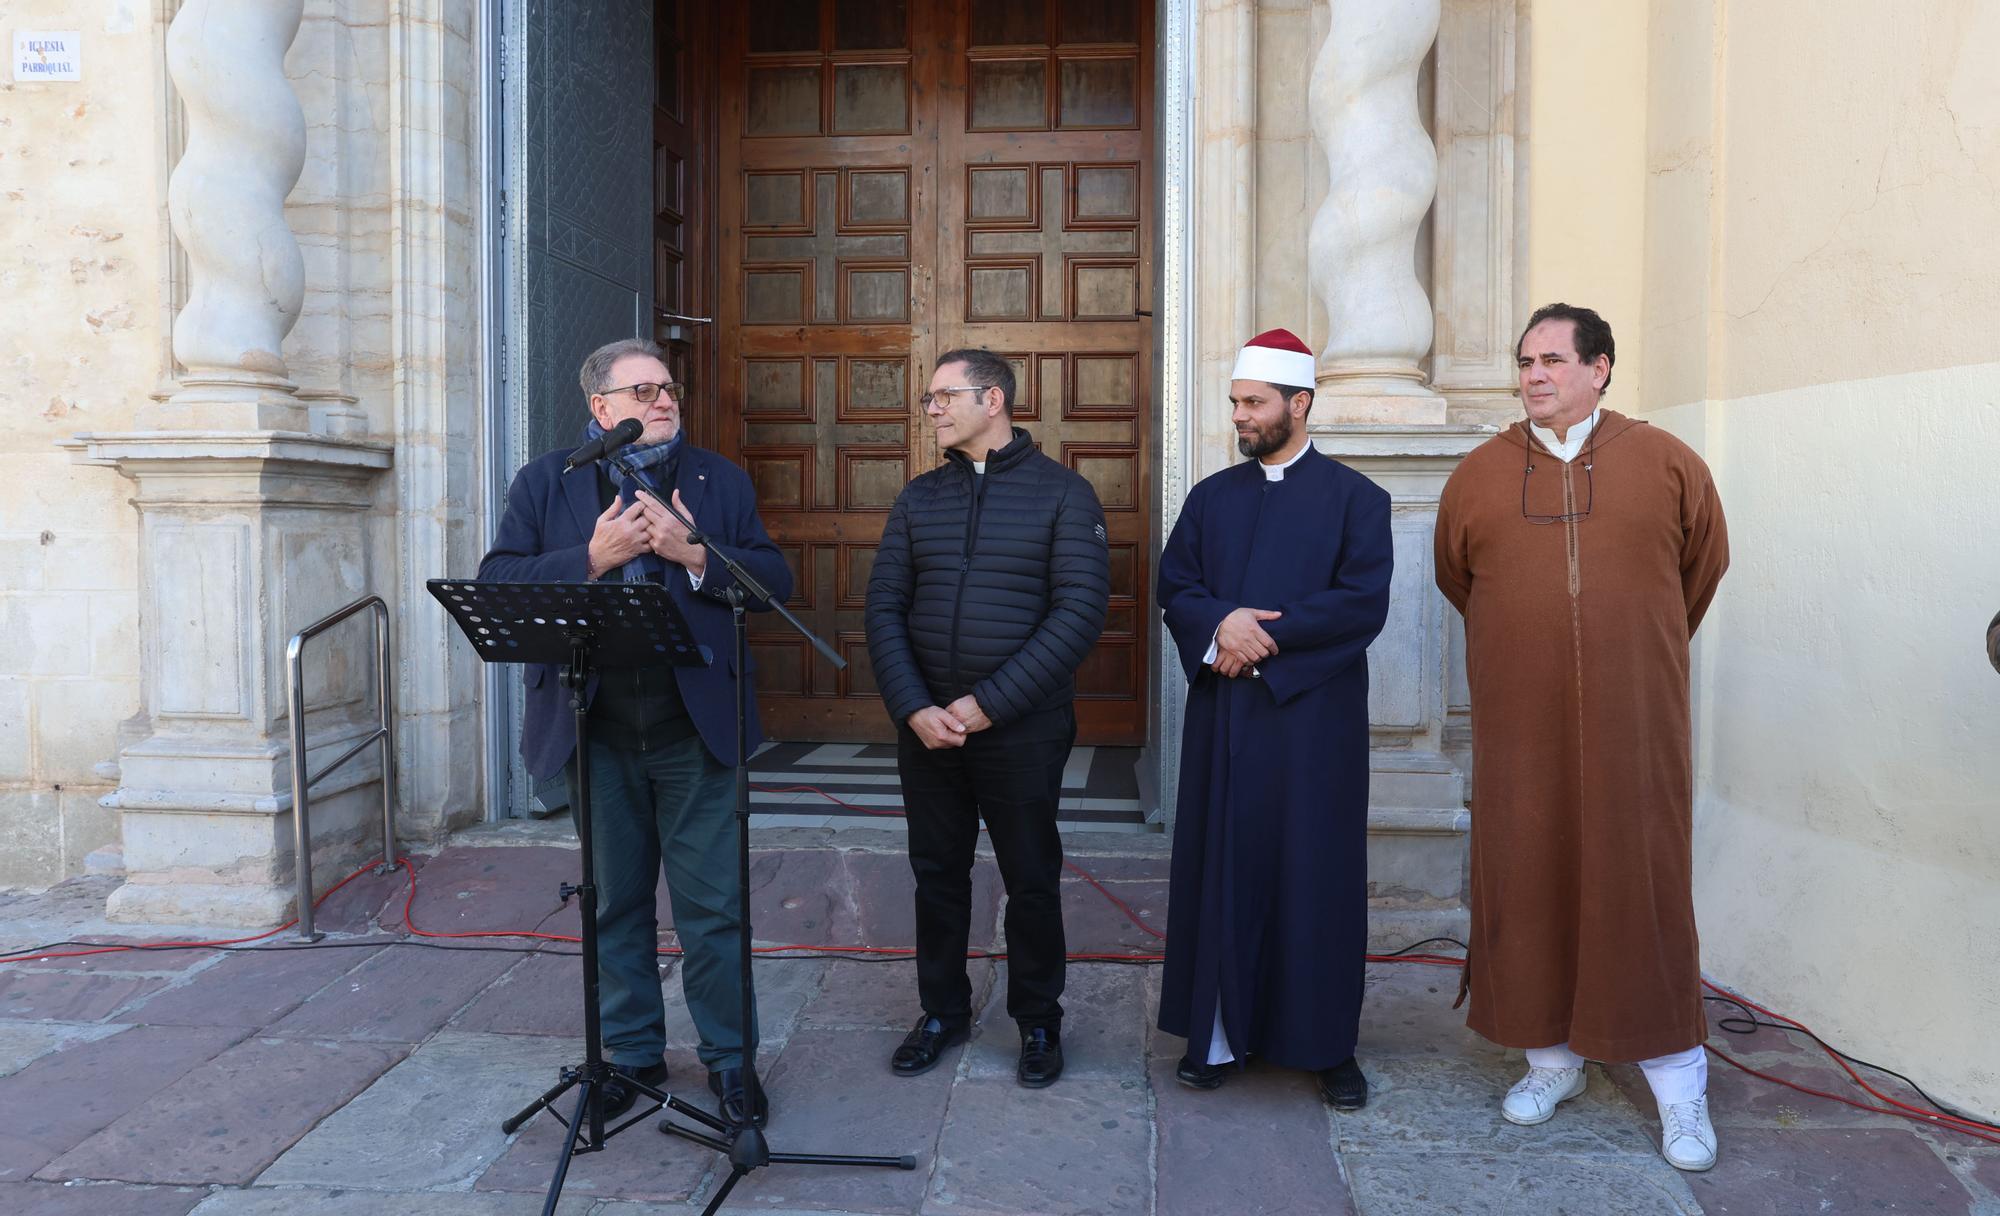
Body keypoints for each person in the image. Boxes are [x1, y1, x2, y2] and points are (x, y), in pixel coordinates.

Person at [1434, 303, 1730, 1171]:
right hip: (1519, 729)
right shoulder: (1479, 475)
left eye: (1554, 360)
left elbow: (1698, 573)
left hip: (1636, 724)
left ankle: (1680, 1089)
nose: (1534, 375)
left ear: (1601, 368)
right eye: (1525, 361)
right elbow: (1460, 579)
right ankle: (1550, 1062)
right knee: (1528, 876)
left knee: (1641, 884)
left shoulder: (1668, 463)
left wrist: (1625, 651)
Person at [477, 337, 793, 1130]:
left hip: (694, 727)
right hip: (596, 725)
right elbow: (499, 580)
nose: (663, 402)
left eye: (668, 389)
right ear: (601, 410)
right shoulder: (547, 480)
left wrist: (694, 554)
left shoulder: (717, 480)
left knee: (713, 909)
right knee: (613, 902)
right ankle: (630, 1055)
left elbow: (776, 582)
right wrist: (591, 556)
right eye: (643, 391)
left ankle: (730, 1063)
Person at [1154, 328, 1393, 1109]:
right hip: (1226, 721)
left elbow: (1360, 603)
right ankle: (1216, 1036)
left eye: (1254, 403)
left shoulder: (1359, 499)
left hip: (1313, 726)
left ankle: (1328, 1047)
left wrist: (1262, 641)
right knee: (1224, 868)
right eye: (1235, 403)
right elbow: (1176, 585)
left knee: (1315, 877)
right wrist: (1221, 622)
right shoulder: (1211, 498)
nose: (1240, 417)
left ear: (1301, 403)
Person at [864, 348, 1110, 1089]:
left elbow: (1079, 614)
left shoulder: (1066, 496)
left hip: (1021, 729)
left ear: (993, 399)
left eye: (944, 396)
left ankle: (1038, 1022)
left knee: (1030, 876)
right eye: (929, 399)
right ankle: (941, 1012)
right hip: (929, 729)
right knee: (936, 875)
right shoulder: (918, 498)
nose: (931, 409)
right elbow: (883, 609)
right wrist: (914, 707)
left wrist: (988, 705)